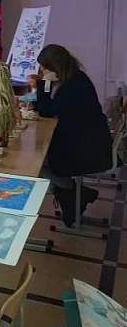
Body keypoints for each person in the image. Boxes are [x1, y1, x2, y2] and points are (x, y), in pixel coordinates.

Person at [35, 44, 112, 227]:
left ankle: (73, 192)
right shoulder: (75, 79)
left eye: (44, 68)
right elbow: (49, 109)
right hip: (85, 140)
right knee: (41, 157)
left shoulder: (74, 86)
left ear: (54, 66)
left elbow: (47, 111)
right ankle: (75, 196)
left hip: (87, 148)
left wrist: (45, 84)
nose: (42, 72)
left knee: (37, 162)